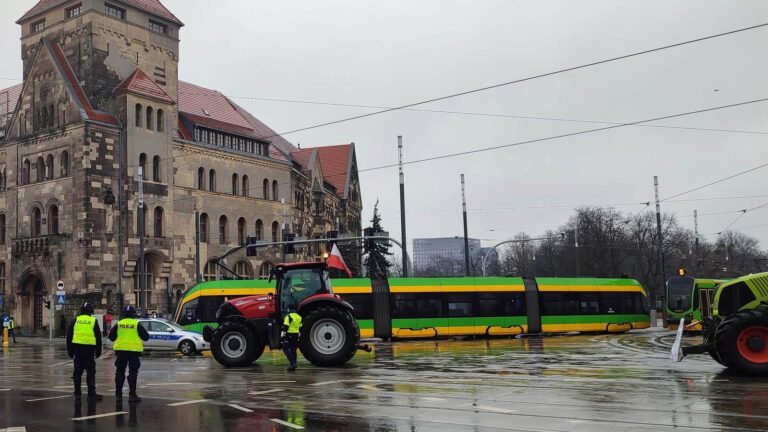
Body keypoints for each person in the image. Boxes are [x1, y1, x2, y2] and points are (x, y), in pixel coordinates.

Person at [108, 305, 149, 403]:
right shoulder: (136, 324)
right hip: (133, 351)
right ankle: (132, 395)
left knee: (119, 372)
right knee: (133, 372)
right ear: (133, 314)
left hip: (121, 350)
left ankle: (118, 395)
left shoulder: (119, 324)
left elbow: (111, 337)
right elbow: (146, 337)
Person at [66, 303, 103, 401]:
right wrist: (98, 351)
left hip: (77, 350)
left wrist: (70, 351)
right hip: (89, 350)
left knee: (77, 371)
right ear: (91, 312)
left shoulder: (75, 320)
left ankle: (77, 392)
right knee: (90, 372)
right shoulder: (93, 321)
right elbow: (98, 337)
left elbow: (69, 337)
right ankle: (91, 393)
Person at [281, 307, 302, 371]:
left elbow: (285, 326)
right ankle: (294, 363)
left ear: (289, 310)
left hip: (289, 334)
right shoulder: (299, 317)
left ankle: (292, 363)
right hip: (296, 335)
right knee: (293, 350)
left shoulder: (288, 316)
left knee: (285, 348)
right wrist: (298, 336)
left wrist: (282, 336)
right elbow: (300, 327)